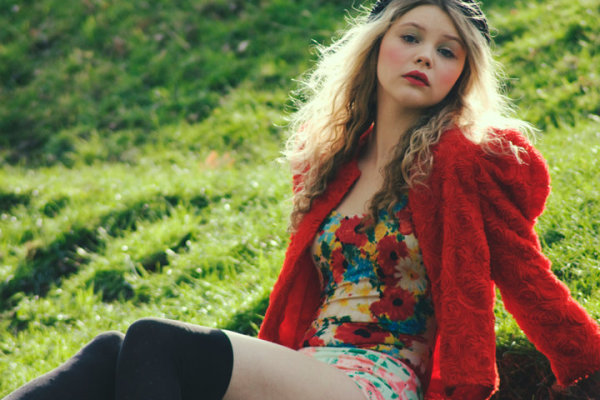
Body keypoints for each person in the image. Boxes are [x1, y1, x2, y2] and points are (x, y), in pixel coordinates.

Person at [4, 1, 600, 399]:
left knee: (156, 339)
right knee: (108, 354)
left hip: (378, 380)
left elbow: (526, 275)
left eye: (448, 51)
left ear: (461, 76)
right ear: (375, 46)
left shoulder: (463, 163)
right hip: (308, 367)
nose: (426, 55)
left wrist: (589, 364)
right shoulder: (334, 164)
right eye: (411, 37)